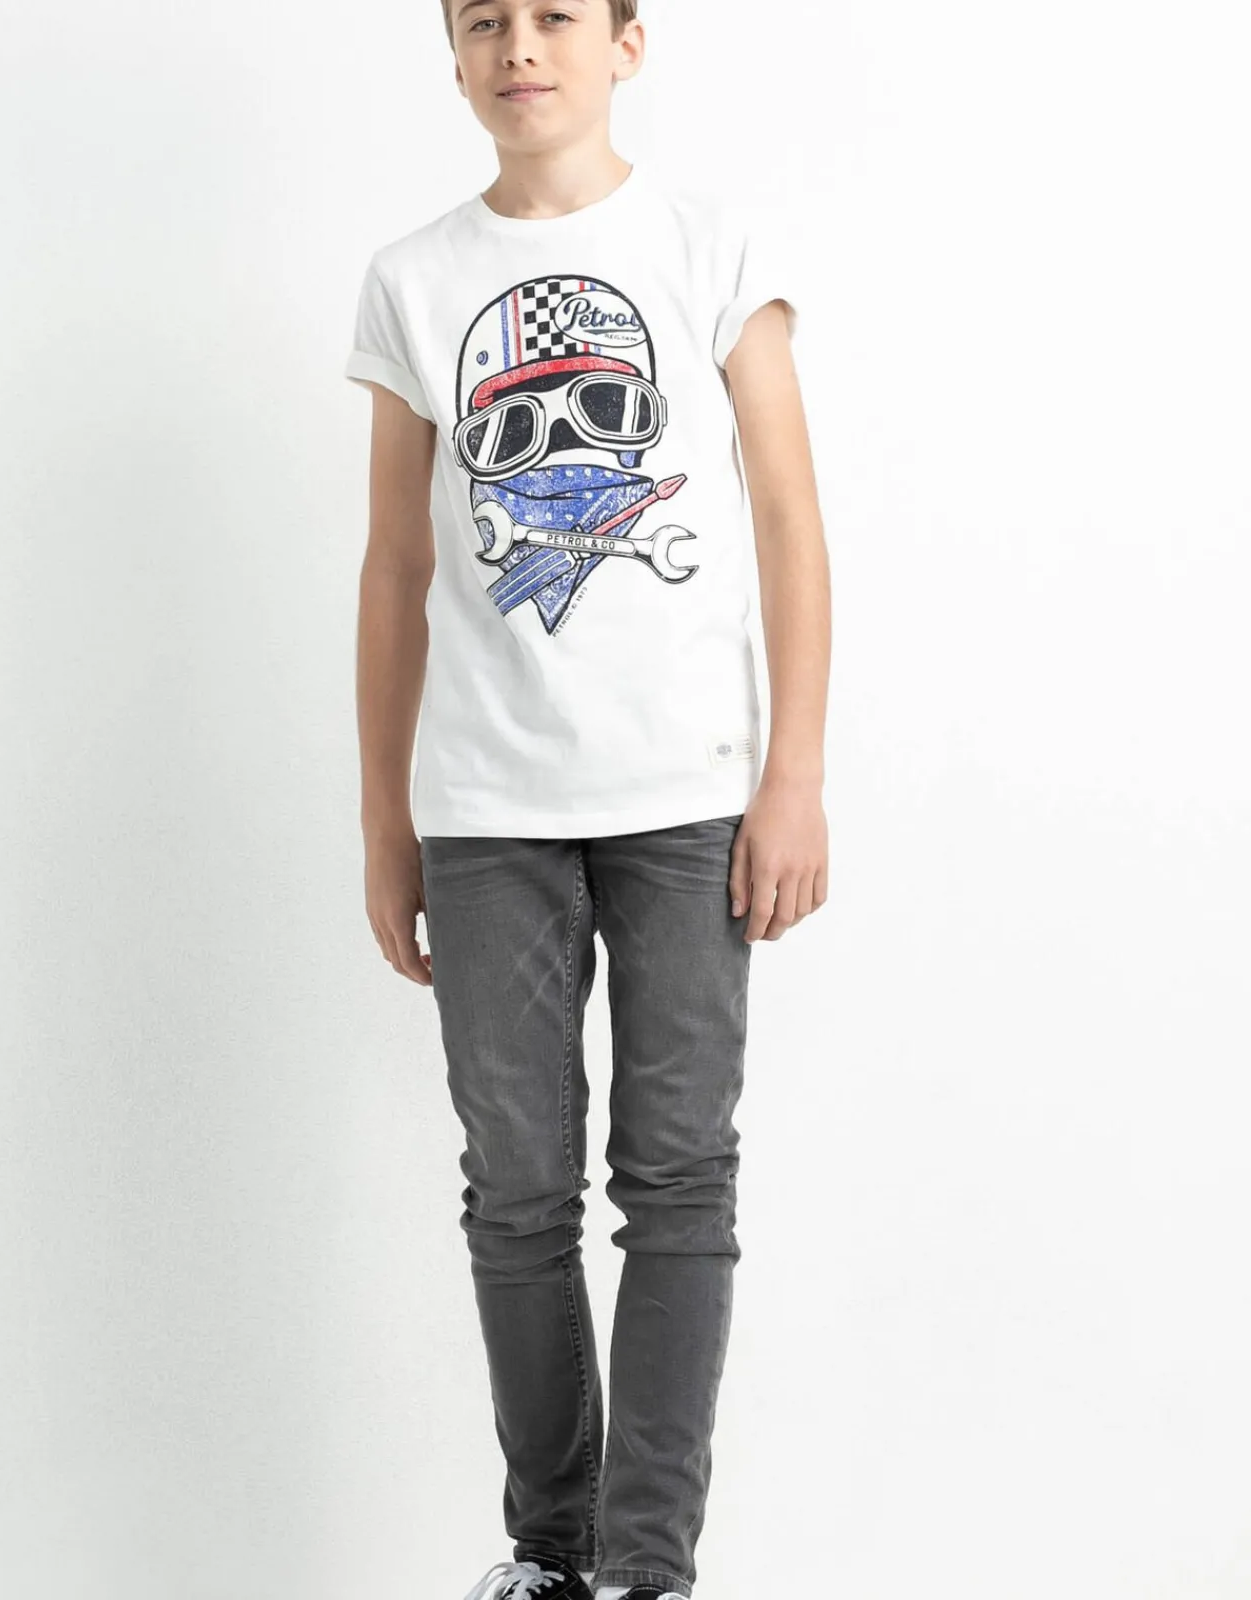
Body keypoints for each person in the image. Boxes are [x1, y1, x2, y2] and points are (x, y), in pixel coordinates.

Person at [344, 5, 831, 1599]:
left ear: (627, 43)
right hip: (486, 808)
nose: (520, 46)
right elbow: (397, 567)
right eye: (484, 19)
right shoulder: (415, 279)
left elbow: (787, 517)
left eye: (557, 14)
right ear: (453, 55)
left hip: (689, 796)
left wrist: (794, 774)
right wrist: (384, 819)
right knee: (517, 1188)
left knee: (679, 1171)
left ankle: (646, 1568)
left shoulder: (709, 247)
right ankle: (551, 1551)